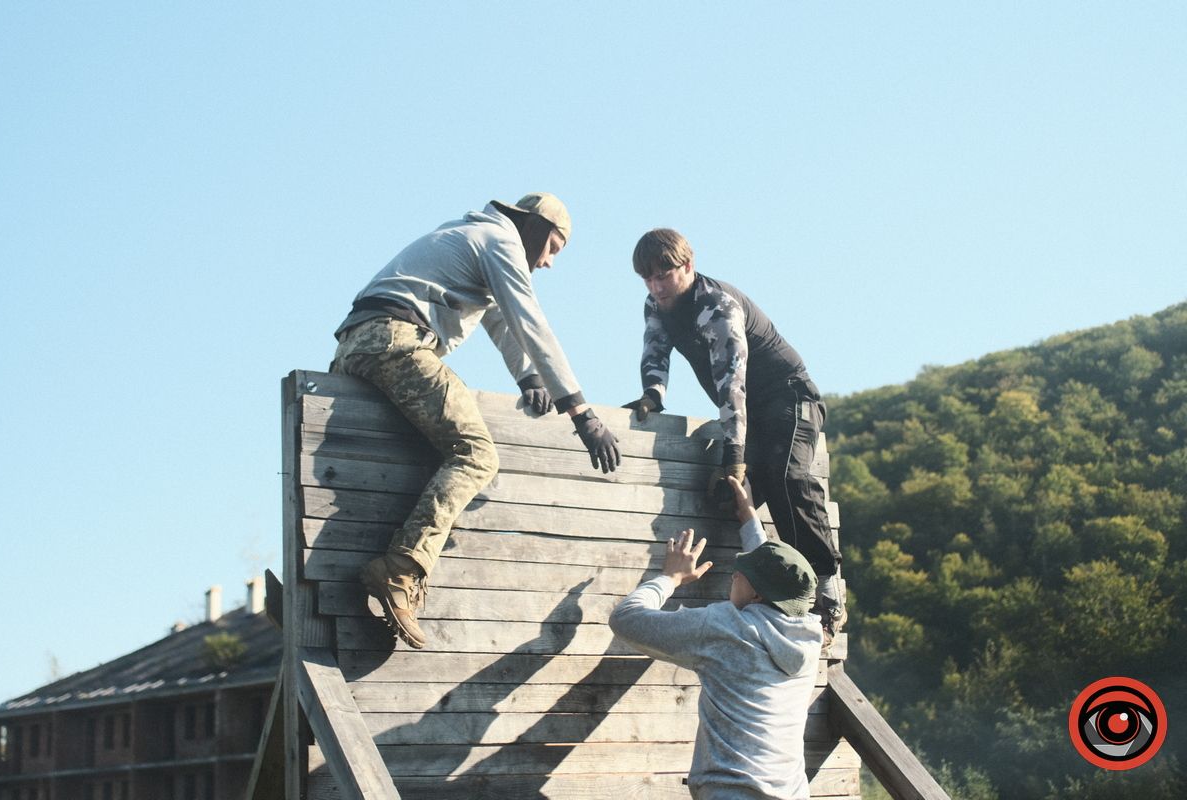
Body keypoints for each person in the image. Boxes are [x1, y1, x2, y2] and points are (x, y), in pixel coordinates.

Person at [331, 193, 621, 649]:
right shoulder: (501, 243)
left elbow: (501, 322)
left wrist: (529, 377)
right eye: (554, 248)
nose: (548, 264)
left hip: (357, 341)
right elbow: (531, 323)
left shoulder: (471, 236)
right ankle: (401, 569)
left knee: (394, 455)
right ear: (535, 228)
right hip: (395, 339)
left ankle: (329, 570)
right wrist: (581, 412)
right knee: (476, 455)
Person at [624, 228, 844, 640]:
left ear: (687, 265)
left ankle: (827, 586)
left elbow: (731, 386)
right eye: (647, 278)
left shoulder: (717, 305)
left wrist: (735, 455)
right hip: (751, 416)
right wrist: (652, 396)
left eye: (664, 274)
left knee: (785, 476)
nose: (656, 286)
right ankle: (760, 599)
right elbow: (655, 350)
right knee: (726, 500)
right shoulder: (655, 305)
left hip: (788, 398)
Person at [609, 476, 823, 800]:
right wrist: (749, 516)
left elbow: (626, 620)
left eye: (741, 574)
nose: (733, 574)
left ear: (755, 595)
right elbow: (777, 579)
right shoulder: (809, 634)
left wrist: (670, 578)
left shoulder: (726, 627)